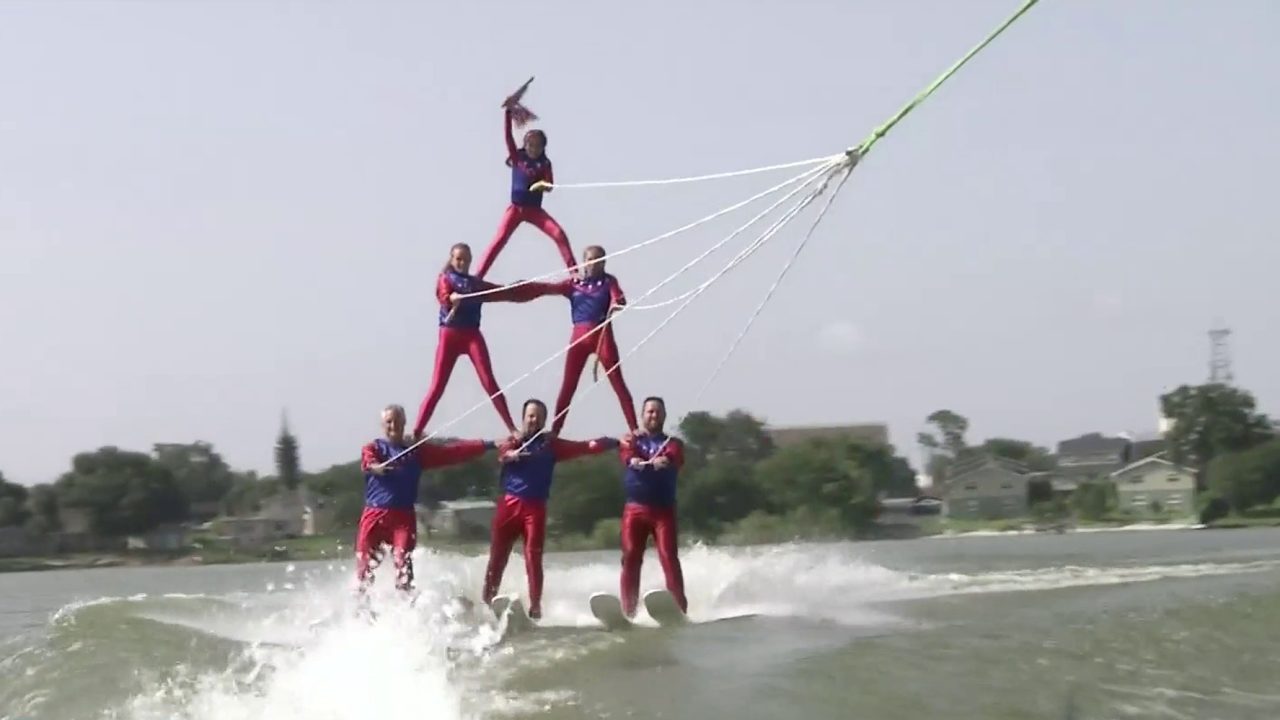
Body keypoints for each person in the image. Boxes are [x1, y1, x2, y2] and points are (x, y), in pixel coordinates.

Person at [475, 245, 638, 435]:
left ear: (604, 263)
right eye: (590, 260)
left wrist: (617, 302)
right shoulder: (574, 284)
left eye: (598, 260)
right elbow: (547, 288)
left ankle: (634, 428)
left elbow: (619, 297)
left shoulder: (609, 281)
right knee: (568, 386)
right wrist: (524, 287)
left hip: (602, 336)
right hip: (579, 337)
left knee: (618, 382)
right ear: (584, 262)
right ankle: (555, 431)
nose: (593, 264)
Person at [482, 398, 619, 619]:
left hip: (534, 509)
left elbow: (584, 447)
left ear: (544, 421)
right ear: (523, 418)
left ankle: (535, 607)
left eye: (538, 417)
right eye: (530, 416)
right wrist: (511, 455)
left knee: (533, 557)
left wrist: (613, 442)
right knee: (497, 558)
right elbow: (503, 455)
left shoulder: (551, 446)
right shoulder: (513, 441)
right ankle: (487, 602)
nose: (534, 420)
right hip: (508, 506)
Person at [357, 404, 498, 593]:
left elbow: (452, 452)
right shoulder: (373, 448)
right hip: (374, 517)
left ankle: (406, 604)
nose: (393, 425)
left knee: (403, 564)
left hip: (402, 519)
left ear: (404, 423)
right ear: (383, 425)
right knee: (364, 571)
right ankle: (360, 606)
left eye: (397, 421)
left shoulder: (416, 452)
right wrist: (377, 468)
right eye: (389, 422)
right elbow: (369, 463)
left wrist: (488, 445)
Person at [413, 242, 536, 439]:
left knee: (489, 381)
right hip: (450, 335)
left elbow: (498, 293)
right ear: (452, 259)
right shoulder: (445, 278)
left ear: (470, 260)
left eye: (465, 259)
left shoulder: (475, 284)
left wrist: (514, 291)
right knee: (437, 386)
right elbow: (443, 295)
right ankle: (417, 432)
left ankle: (512, 428)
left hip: (471, 335)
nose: (462, 263)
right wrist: (450, 298)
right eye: (458, 259)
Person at [472, 84, 575, 280]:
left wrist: (544, 185)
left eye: (537, 146)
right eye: (531, 145)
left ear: (543, 147)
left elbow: (550, 185)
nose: (534, 149)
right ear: (525, 145)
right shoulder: (518, 157)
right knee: (499, 240)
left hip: (535, 210)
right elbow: (508, 136)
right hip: (515, 210)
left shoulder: (545, 163)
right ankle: (478, 275)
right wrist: (508, 113)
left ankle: (574, 272)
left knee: (559, 234)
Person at [617, 396, 688, 618]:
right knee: (630, 556)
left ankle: (680, 607)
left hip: (663, 511)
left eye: (657, 412)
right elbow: (626, 453)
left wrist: (665, 460)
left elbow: (675, 456)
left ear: (664, 416)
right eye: (649, 411)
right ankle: (628, 609)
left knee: (668, 556)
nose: (653, 415)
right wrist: (633, 460)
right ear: (642, 415)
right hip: (634, 510)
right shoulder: (631, 441)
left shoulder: (673, 443)